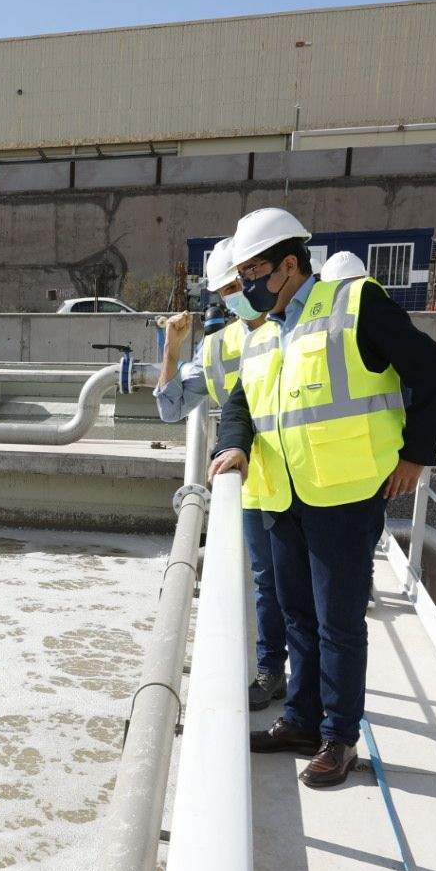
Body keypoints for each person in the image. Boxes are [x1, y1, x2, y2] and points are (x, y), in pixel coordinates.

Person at [209, 207, 436, 789]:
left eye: (252, 273)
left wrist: (416, 455)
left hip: (345, 492)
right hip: (284, 493)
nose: (245, 287)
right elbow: (240, 403)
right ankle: (300, 721)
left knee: (337, 622)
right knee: (297, 615)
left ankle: (339, 737)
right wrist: (234, 447)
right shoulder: (265, 331)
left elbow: (431, 366)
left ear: (289, 265)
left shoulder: (354, 304)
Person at [152, 239, 288, 711]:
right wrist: (171, 348)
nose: (236, 296)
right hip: (256, 485)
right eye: (227, 290)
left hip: (311, 478)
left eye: (238, 285)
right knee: (268, 583)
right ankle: (272, 671)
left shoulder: (295, 326)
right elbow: (171, 407)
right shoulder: (218, 347)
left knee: (312, 592)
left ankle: (317, 696)